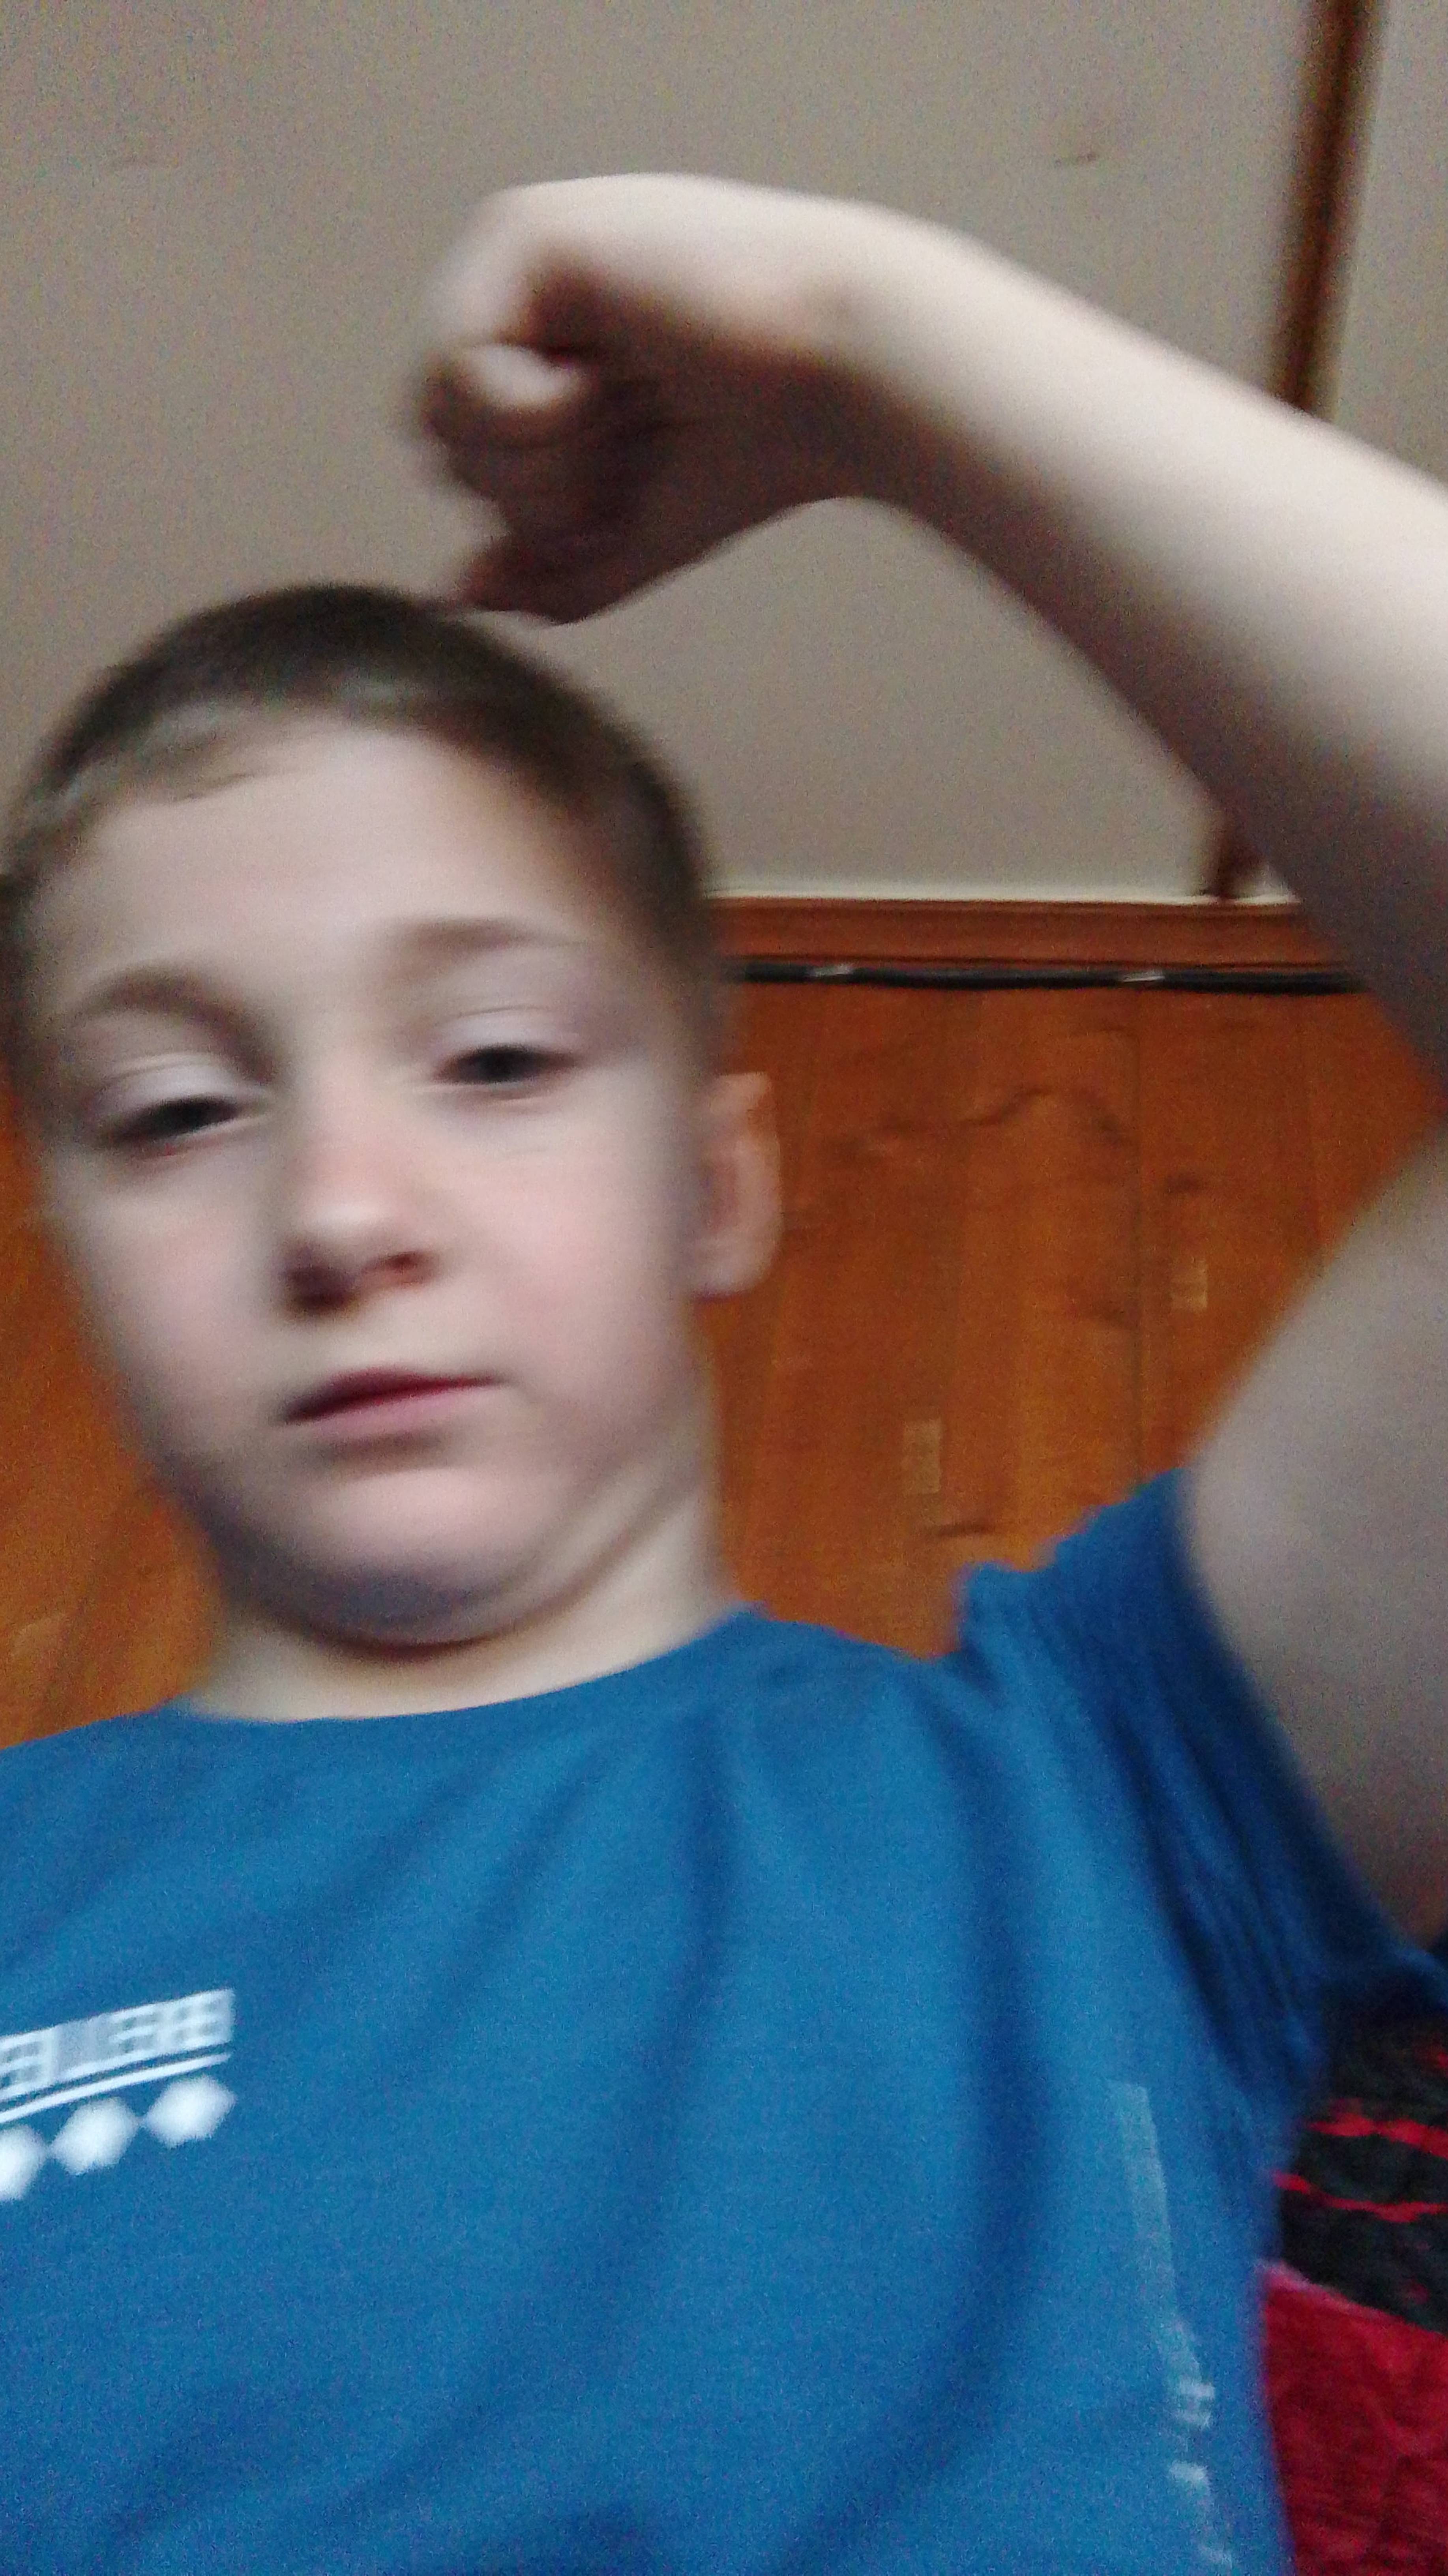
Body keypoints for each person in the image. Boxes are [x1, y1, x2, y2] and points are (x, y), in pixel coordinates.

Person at [2, 174, 1447, 2576]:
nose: (342, 1209)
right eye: (172, 1111)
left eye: (492, 1059)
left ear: (715, 1183)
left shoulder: (1096, 1796)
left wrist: (860, 346)